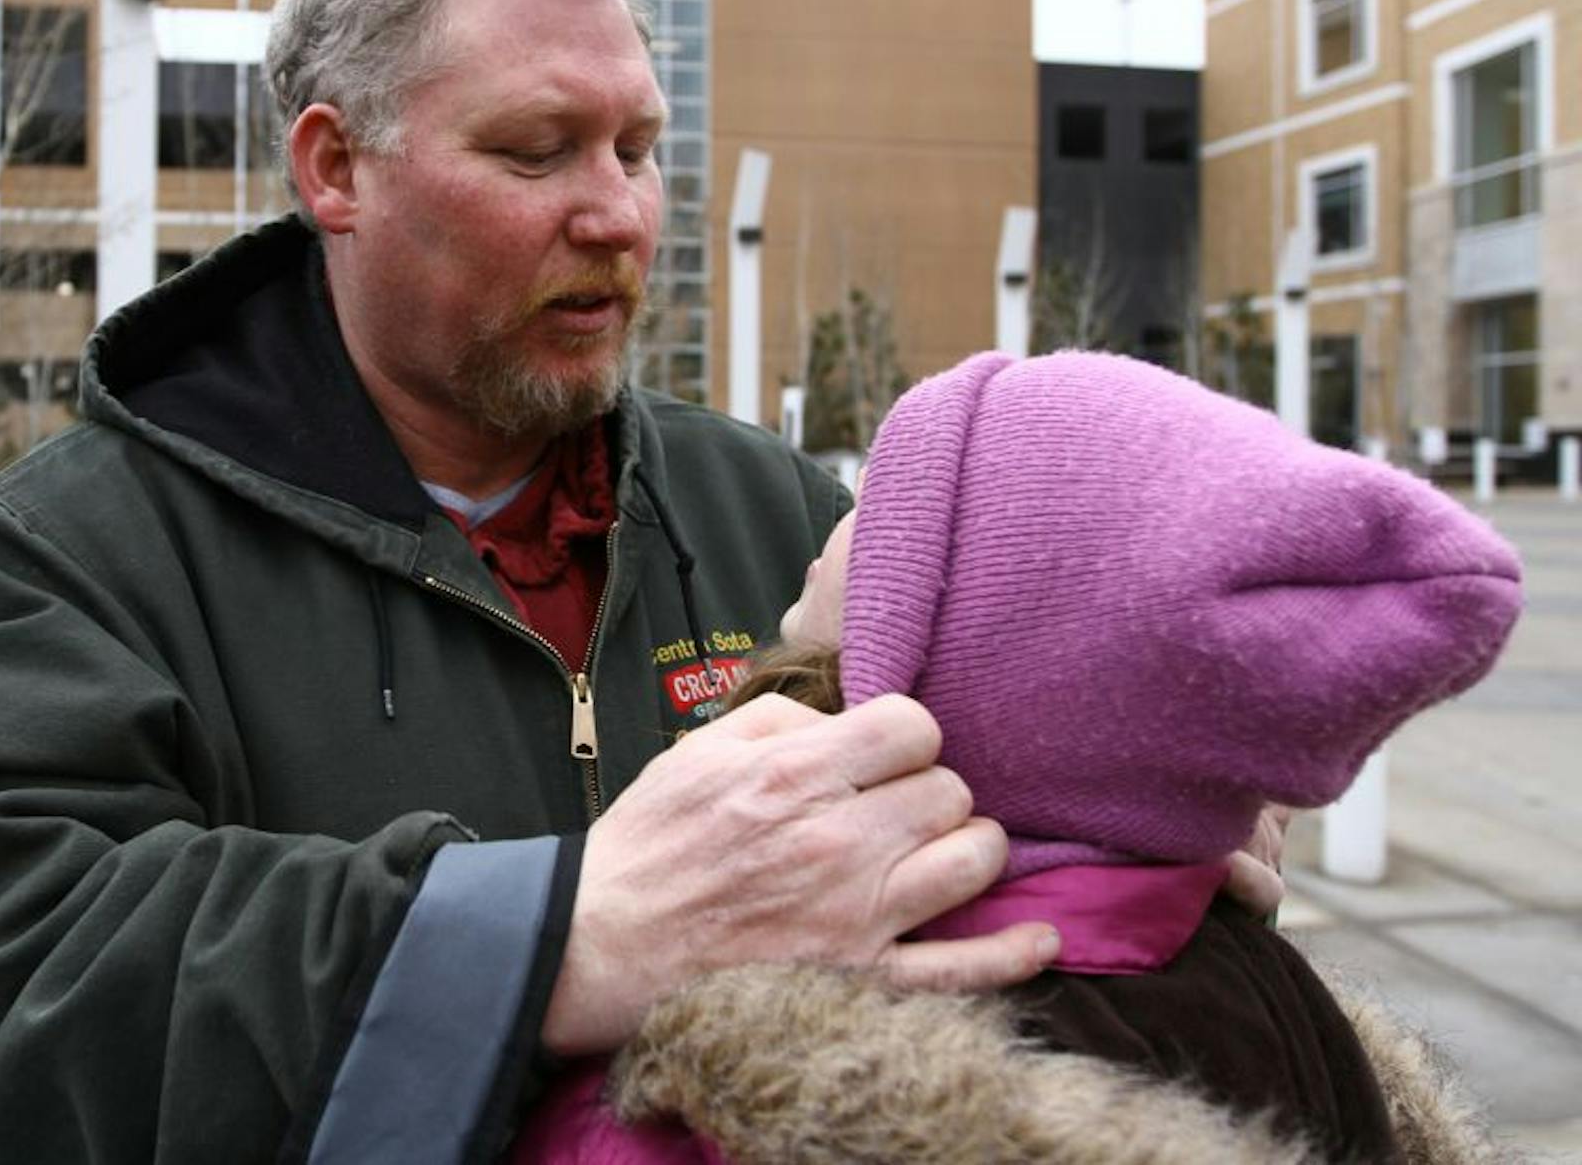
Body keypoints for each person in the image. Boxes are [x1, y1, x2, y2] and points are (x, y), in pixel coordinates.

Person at [0, 0, 1266, 1164]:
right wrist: (551, 937)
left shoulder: (769, 507)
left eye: (636, 147)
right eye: (536, 150)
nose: (618, 212)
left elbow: (992, 810)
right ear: (335, 169)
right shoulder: (82, 546)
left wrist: (1131, 830)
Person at [511, 350, 1521, 1163]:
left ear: (963, 653)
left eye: (895, 505)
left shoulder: (712, 1099)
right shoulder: (1277, 1007)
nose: (835, 520)